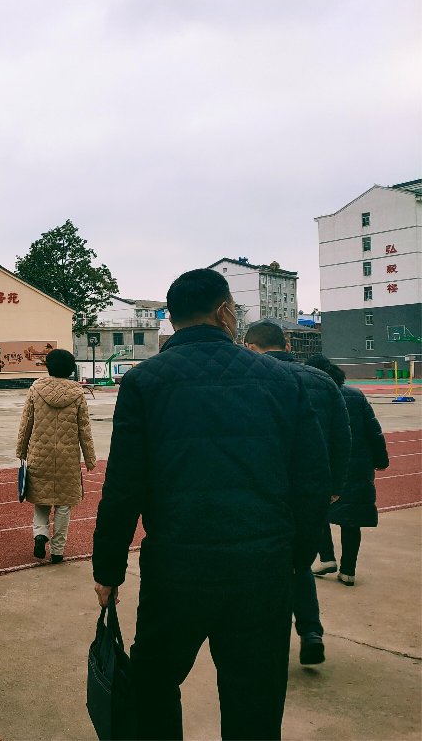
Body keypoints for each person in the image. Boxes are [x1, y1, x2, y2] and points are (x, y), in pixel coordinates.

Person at [91, 269, 331, 740]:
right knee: (255, 696)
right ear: (224, 313)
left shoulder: (144, 382)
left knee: (155, 681)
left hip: (176, 566)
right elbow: (312, 480)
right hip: (261, 566)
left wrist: (108, 569)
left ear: (172, 318)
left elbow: (123, 486)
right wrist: (295, 557)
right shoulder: (281, 379)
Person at [244, 320, 351, 665]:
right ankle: (310, 631)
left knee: (263, 565)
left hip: (266, 490)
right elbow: (342, 437)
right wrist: (334, 487)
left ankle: (269, 640)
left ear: (250, 347)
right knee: (299, 562)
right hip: (311, 490)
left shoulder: (250, 379)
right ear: (287, 346)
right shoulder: (323, 381)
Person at [307, 354, 389, 586]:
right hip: (358, 466)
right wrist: (381, 460)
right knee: (351, 519)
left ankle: (326, 557)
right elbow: (374, 431)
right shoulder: (355, 395)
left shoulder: (312, 398)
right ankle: (348, 571)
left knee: (316, 511)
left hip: (325, 465)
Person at [15, 347, 95, 563]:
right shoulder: (78, 393)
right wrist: (89, 458)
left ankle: (40, 535)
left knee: (41, 501)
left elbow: (26, 423)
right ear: (70, 369)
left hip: (39, 455)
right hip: (68, 459)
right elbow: (84, 428)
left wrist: (21, 450)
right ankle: (58, 551)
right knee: (63, 505)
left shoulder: (36, 389)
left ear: (48, 367)